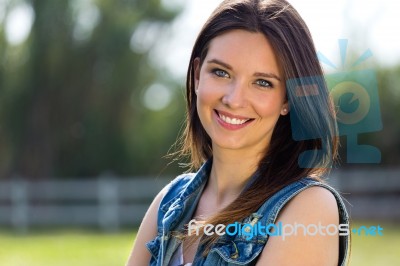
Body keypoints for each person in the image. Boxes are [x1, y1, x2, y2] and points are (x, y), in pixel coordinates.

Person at [127, 0, 350, 265]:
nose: (234, 99)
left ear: (288, 100)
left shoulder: (309, 207)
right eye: (221, 72)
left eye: (262, 83)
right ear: (198, 76)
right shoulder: (169, 203)